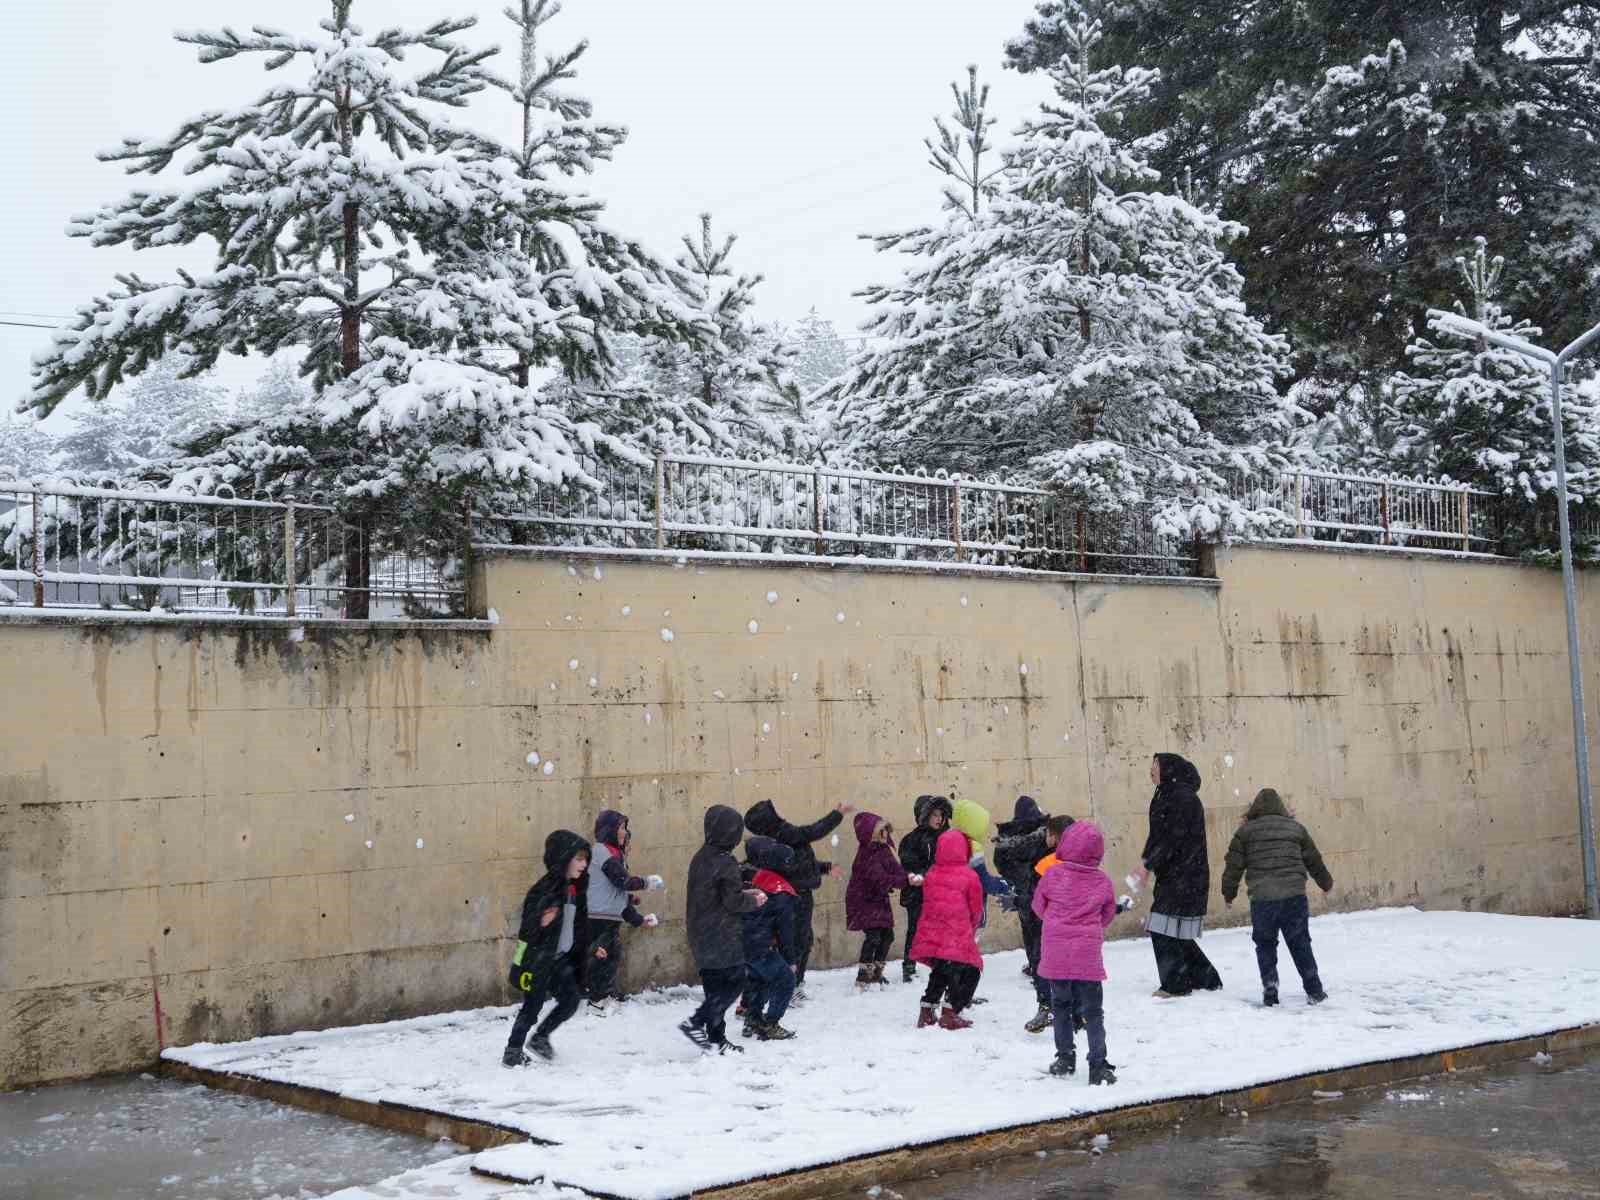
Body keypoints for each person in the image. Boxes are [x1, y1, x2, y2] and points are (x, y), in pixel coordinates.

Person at [1220, 788, 1334, 1006]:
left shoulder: (1245, 833)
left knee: (1265, 944)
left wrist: (1229, 894)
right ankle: (1314, 989)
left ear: (1254, 809)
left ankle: (1270, 986)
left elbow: (1233, 867)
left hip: (1263, 900)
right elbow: (1313, 860)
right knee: (1300, 942)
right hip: (1294, 897)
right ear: (1281, 807)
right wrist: (1326, 883)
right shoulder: (1296, 829)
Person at [1033, 817, 1119, 1084]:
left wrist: (1057, 923)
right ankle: (1098, 1065)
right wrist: (1089, 927)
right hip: (1087, 956)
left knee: (1061, 1006)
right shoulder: (1102, 881)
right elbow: (1107, 915)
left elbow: (1038, 907)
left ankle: (1064, 1058)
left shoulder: (1052, 875)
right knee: (1093, 1011)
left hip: (1056, 953)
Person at [743, 799, 851, 1002]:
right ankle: (787, 986)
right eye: (775, 810)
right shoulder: (784, 833)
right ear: (770, 818)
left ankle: (793, 984)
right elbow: (812, 832)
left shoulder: (781, 836)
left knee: (802, 941)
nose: (781, 811)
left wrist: (826, 868)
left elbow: (801, 865)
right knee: (795, 943)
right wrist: (837, 814)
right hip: (794, 897)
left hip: (798, 895)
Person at [681, 805, 768, 1053]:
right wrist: (754, 900)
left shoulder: (701, 857)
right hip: (721, 934)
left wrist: (743, 893)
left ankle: (716, 1039)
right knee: (735, 981)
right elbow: (732, 901)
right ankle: (698, 1023)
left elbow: (715, 893)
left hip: (700, 931)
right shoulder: (726, 862)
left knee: (714, 985)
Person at [504, 830, 593, 1066]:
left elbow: (580, 926)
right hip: (539, 959)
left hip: (559, 960)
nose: (584, 864)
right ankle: (512, 1051)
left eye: (586, 858)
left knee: (571, 1000)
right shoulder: (543, 889)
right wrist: (540, 924)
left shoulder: (575, 889)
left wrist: (591, 949)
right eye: (579, 858)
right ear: (563, 858)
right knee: (531, 1007)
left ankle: (541, 1037)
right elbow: (526, 931)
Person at [1138, 752, 1223, 997]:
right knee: (1173, 929)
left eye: (1155, 765)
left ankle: (1176, 985)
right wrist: (1146, 863)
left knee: (1161, 926)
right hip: (1174, 874)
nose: (1151, 769)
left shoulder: (1183, 798)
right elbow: (1157, 837)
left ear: (1168, 769)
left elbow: (1173, 837)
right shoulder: (1164, 795)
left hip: (1186, 874)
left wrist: (1149, 864)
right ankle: (1206, 978)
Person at [994, 796, 1066, 1032]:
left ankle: (1047, 1006)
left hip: (1029, 907)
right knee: (1058, 957)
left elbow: (1009, 872)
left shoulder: (1006, 848)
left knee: (1038, 958)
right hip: (1051, 907)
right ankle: (1069, 1008)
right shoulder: (1046, 840)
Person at [584, 809, 664, 1016]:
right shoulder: (603, 852)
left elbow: (617, 892)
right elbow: (622, 881)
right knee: (600, 957)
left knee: (612, 955)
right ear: (609, 830)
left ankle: (606, 994)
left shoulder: (612, 852)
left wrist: (638, 918)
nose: (625, 832)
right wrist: (648, 883)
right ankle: (596, 1000)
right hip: (598, 917)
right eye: (621, 827)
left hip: (608, 916)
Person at [909, 828, 985, 1029]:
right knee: (971, 970)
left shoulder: (932, 873)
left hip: (935, 933)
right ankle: (951, 1011)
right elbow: (976, 909)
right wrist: (971, 928)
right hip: (957, 933)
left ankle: (927, 1009)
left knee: (942, 969)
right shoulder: (969, 876)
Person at [845, 812, 918, 988]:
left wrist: (907, 876)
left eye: (886, 829)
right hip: (863, 900)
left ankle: (876, 973)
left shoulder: (883, 850)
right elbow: (880, 879)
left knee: (887, 936)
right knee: (874, 936)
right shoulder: (866, 854)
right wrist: (904, 881)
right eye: (882, 830)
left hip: (878, 899)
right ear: (871, 833)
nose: (886, 833)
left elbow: (895, 870)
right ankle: (863, 976)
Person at [741, 836, 802, 1039]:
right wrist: (791, 960)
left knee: (760, 980)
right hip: (759, 945)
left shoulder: (754, 879)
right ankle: (771, 1024)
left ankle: (753, 1019)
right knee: (785, 979)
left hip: (741, 943)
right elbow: (785, 931)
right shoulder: (781, 892)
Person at [897, 795, 952, 982]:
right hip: (918, 895)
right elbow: (910, 866)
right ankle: (909, 966)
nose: (939, 819)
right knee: (916, 929)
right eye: (934, 814)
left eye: (941, 815)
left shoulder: (946, 838)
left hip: (942, 894)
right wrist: (929, 872)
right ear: (924, 815)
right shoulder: (911, 840)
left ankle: (942, 965)